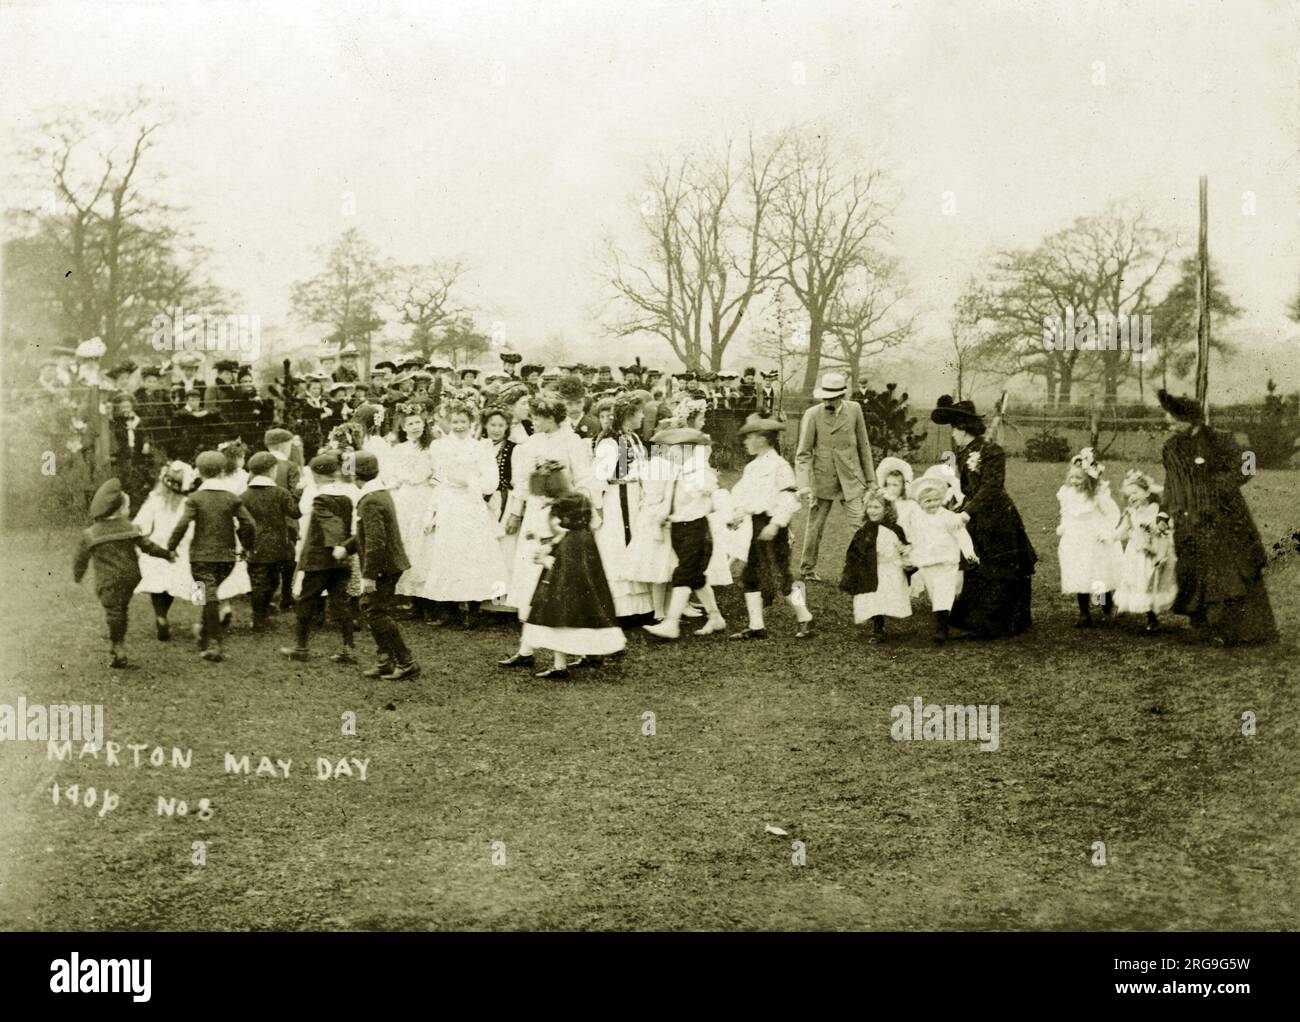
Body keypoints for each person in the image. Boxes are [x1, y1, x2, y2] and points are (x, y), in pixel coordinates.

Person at [1157, 388, 1278, 645]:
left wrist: (1222, 485)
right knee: (1192, 571)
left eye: (1175, 420)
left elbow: (1249, 462)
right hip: (1187, 520)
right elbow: (1171, 483)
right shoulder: (1171, 448)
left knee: (1225, 574)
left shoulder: (1219, 439)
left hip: (1224, 520)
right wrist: (1163, 513)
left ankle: (1230, 630)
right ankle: (1202, 626)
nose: (1169, 425)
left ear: (1192, 421)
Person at [930, 395, 1036, 638]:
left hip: (998, 517)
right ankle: (979, 620)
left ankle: (999, 623)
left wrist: (967, 512)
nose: (953, 435)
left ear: (963, 428)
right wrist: (957, 505)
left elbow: (992, 487)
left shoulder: (992, 451)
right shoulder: (966, 452)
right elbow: (968, 487)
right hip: (976, 515)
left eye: (955, 429)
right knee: (976, 565)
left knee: (998, 569)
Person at [518, 461, 626, 679]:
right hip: (587, 552)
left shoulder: (559, 505)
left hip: (568, 554)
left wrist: (546, 547)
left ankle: (560, 665)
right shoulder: (580, 498)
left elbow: (560, 532)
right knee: (589, 598)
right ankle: (593, 652)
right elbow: (593, 523)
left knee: (558, 605)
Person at [420, 401, 507, 627]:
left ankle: (473, 607)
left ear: (472, 423)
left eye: (463, 422)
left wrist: (470, 482)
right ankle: (448, 607)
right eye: (455, 421)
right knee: (448, 551)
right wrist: (434, 510)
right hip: (449, 502)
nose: (459, 426)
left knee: (472, 552)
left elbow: (491, 480)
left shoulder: (480, 447)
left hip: (471, 502)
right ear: (449, 422)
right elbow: (437, 478)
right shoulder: (440, 446)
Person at [725, 414, 812, 640]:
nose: (745, 443)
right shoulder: (752, 467)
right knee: (751, 574)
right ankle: (756, 626)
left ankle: (805, 616)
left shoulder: (780, 466)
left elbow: (788, 499)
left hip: (773, 527)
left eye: (749, 438)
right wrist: (738, 514)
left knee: (781, 575)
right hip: (756, 526)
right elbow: (745, 496)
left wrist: (775, 525)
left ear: (762, 439)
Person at [74, 477, 175, 668]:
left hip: (108, 580)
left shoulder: (90, 533)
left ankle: (118, 646)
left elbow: (80, 559)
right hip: (131, 578)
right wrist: (167, 554)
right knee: (121, 608)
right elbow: (148, 546)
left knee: (114, 611)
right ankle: (118, 642)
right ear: (119, 510)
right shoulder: (130, 528)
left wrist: (77, 575)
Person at [166, 450, 257, 662]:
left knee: (206, 594)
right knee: (207, 594)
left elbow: (182, 524)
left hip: (200, 556)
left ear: (199, 472)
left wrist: (171, 547)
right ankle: (204, 632)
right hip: (227, 558)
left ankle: (215, 642)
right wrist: (247, 545)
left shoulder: (195, 498)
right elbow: (249, 523)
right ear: (223, 471)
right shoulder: (232, 498)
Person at [642, 423, 728, 639]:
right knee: (696, 577)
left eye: (676, 449)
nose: (671, 453)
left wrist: (697, 485)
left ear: (687, 450)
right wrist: (664, 515)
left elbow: (710, 492)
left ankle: (671, 623)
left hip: (695, 529)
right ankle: (715, 617)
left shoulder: (699, 472)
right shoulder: (678, 472)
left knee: (683, 574)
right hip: (679, 528)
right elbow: (673, 501)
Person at [341, 450, 421, 679]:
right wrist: (347, 547)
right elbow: (368, 534)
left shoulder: (370, 500)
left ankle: (406, 662)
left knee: (375, 611)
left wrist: (369, 576)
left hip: (383, 566)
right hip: (388, 563)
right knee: (373, 609)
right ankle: (385, 660)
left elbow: (376, 541)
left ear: (357, 475)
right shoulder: (379, 493)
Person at [795, 371, 876, 581]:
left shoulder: (855, 409)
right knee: (815, 527)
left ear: (842, 396)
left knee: (860, 524)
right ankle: (807, 570)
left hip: (851, 478)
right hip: (822, 480)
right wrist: (805, 485)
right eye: (824, 397)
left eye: (831, 398)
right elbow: (802, 454)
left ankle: (863, 571)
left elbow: (864, 446)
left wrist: (871, 481)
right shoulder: (812, 414)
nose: (827, 401)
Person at [281, 451, 357, 663]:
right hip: (341, 561)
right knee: (341, 603)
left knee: (305, 601)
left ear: (317, 475)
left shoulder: (321, 497)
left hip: (319, 560)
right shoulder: (346, 497)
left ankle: (301, 648)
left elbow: (330, 522)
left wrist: (336, 545)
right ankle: (348, 649)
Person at [591, 396, 654, 619]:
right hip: (617, 500)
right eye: (639, 413)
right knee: (617, 545)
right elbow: (598, 479)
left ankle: (641, 607)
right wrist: (599, 509)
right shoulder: (609, 441)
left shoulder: (634, 437)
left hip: (635, 496)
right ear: (628, 415)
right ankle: (618, 609)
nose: (643, 416)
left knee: (636, 543)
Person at [905, 474, 977, 645]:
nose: (933, 504)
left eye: (936, 500)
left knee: (943, 594)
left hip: (946, 562)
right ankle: (943, 621)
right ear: (920, 503)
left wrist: (969, 553)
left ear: (942, 500)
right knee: (934, 594)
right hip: (928, 563)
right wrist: (912, 557)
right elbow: (913, 539)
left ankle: (941, 629)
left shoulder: (948, 517)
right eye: (927, 501)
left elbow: (962, 535)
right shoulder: (916, 519)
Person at [1056, 447, 1122, 627]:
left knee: (1097, 574)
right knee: (1079, 574)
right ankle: (1084, 612)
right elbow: (1066, 512)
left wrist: (1106, 532)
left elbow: (1112, 514)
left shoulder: (1098, 494)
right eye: (1072, 477)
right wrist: (1063, 526)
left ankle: (1104, 604)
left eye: (1079, 478)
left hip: (1094, 539)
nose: (1075, 481)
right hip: (1075, 539)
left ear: (1089, 479)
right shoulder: (1067, 492)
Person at [133, 461, 198, 641]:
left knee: (158, 583)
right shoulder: (188, 503)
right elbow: (191, 527)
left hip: (157, 546)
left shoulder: (155, 500)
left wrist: (142, 537)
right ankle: (197, 614)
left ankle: (161, 615)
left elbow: (141, 523)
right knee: (172, 583)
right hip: (180, 548)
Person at [840, 488, 912, 643]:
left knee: (886, 597)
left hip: (890, 569)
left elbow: (904, 547)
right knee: (873, 598)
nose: (872, 511)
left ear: (886, 509)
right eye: (869, 507)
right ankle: (877, 628)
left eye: (876, 507)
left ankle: (880, 625)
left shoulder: (895, 529)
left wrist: (906, 556)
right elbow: (854, 552)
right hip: (871, 570)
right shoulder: (865, 530)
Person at [241, 451, 302, 632]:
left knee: (259, 582)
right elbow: (295, 513)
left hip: (255, 546)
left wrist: (245, 544)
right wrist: (299, 492)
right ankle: (262, 615)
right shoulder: (281, 493)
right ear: (272, 470)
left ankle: (259, 616)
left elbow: (242, 524)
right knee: (274, 581)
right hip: (278, 546)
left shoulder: (245, 495)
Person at [389, 408, 439, 618]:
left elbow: (437, 472)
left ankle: (427, 600)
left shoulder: (432, 447)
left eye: (418, 422)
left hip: (425, 496)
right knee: (407, 543)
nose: (415, 427)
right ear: (403, 427)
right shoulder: (398, 449)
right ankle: (407, 598)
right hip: (406, 497)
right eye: (410, 424)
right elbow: (391, 475)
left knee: (425, 545)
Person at [1114, 468, 1177, 633]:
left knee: (1149, 583)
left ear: (1147, 492)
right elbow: (1123, 529)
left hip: (1151, 553)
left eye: (1135, 493)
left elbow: (1164, 529)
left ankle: (1152, 617)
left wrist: (1156, 530)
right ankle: (1130, 606)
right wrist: (1109, 537)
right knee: (1132, 581)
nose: (1132, 497)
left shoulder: (1156, 510)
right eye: (1128, 495)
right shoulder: (1130, 512)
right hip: (1134, 553)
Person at [264, 427, 303, 611]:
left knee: (268, 557)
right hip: (286, 519)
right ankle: (286, 595)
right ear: (282, 445)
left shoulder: (260, 463)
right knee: (288, 557)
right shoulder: (290, 466)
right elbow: (295, 494)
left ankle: (269, 595)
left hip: (264, 518)